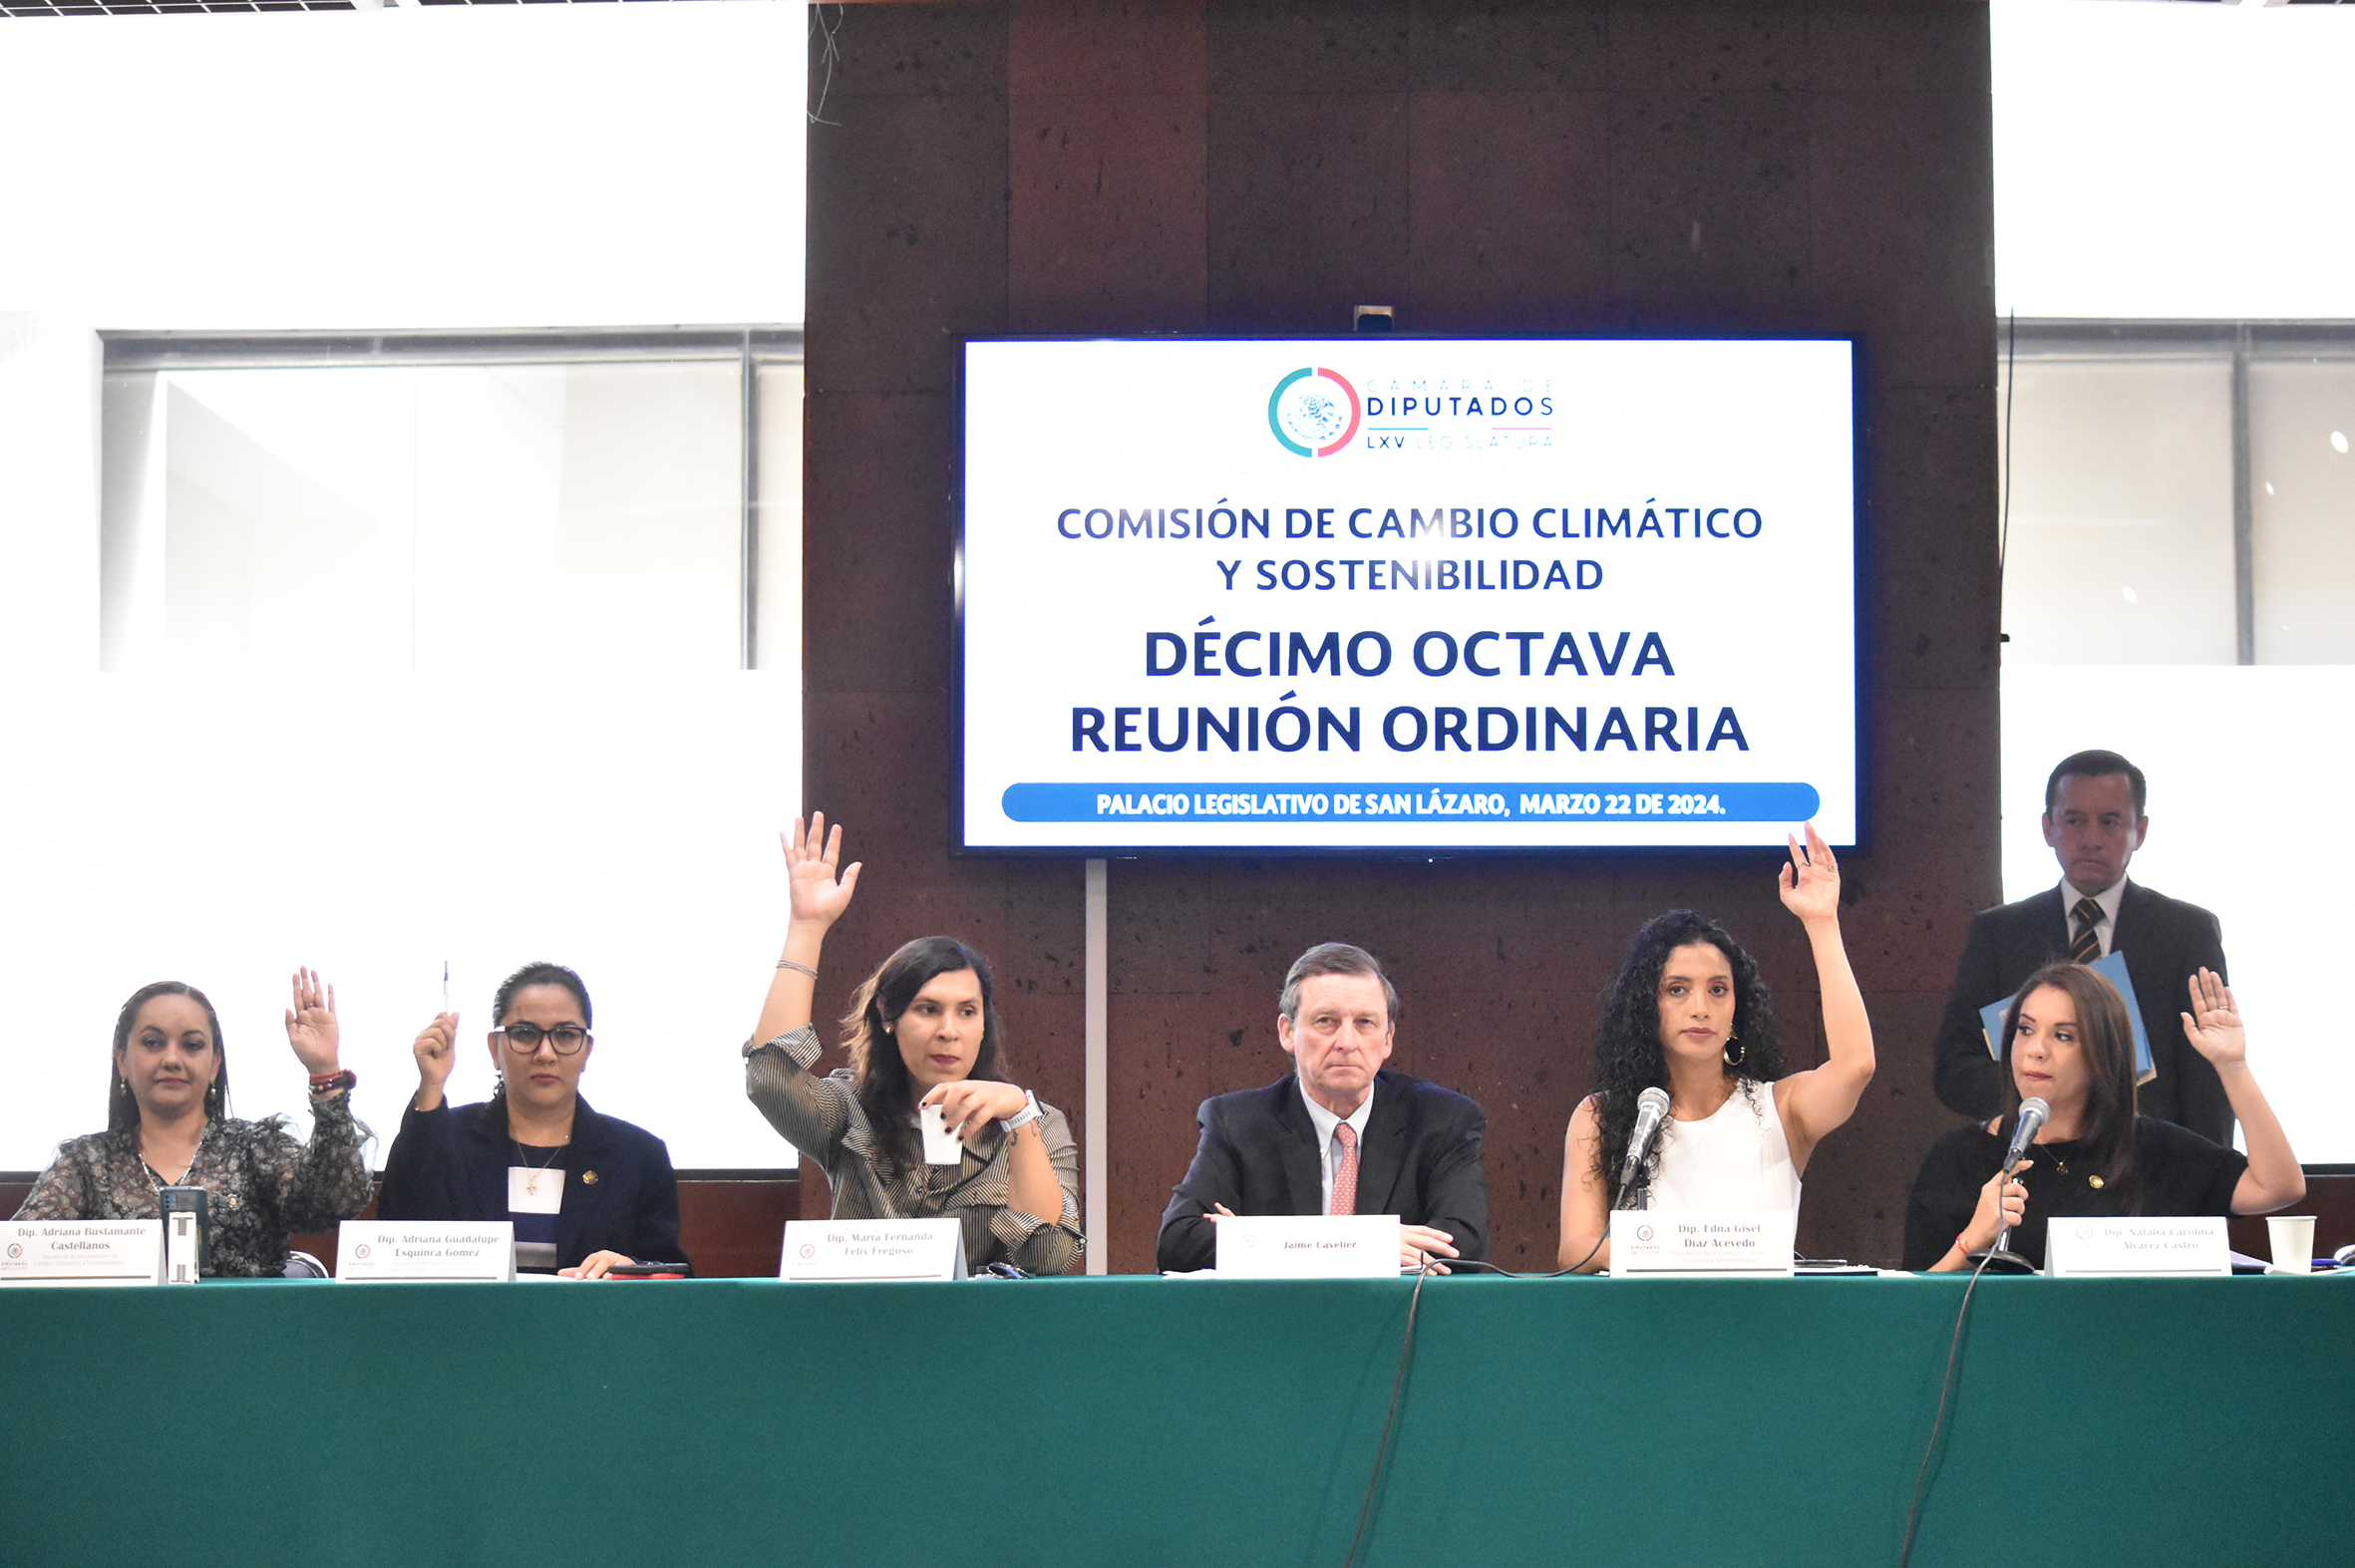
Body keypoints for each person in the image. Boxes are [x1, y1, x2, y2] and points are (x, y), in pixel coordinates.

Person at [743, 814, 1084, 1275]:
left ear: (984, 1023)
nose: (949, 1031)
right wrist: (807, 928)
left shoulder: (1038, 1123)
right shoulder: (850, 1107)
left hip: (981, 1321)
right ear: (888, 1014)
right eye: (928, 1009)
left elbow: (1050, 1260)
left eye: (967, 1012)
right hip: (863, 1317)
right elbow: (769, 1079)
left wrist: (1020, 1118)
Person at [1557, 824, 1875, 1271]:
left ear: (1737, 1007)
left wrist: (1821, 922)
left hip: (1758, 1314)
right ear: (1645, 1004)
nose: (1700, 1008)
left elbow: (1856, 1066)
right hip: (1643, 1314)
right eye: (1678, 989)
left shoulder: (1781, 1108)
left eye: (1718, 990)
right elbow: (1577, 1251)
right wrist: (1695, 1251)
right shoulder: (1601, 1115)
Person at [1903, 964, 2301, 1271]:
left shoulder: (2153, 1149)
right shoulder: (1960, 1157)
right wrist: (1971, 1240)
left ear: (2103, 1054)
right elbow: (1912, 1307)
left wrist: (2233, 1066)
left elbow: (2279, 1187)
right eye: (2025, 1030)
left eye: (2063, 1036)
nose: (2035, 1050)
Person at [1931, 750, 2232, 1143]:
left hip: (2151, 1160)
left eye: (2110, 822)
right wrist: (2044, 1087)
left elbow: (2208, 1079)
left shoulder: (2186, 931)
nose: (2091, 840)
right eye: (2074, 821)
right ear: (2048, 828)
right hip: (2032, 1157)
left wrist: (2211, 1174)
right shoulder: (1999, 933)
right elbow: (1954, 1069)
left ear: (2140, 831)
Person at [1156, 941, 1491, 1275]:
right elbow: (1178, 1243)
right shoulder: (1236, 1122)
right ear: (1288, 1032)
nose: (1346, 1042)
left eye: (1365, 1022)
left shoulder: (1443, 1119)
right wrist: (1369, 1245)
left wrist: (1256, 1240)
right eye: (1326, 1021)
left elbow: (1463, 1246)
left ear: (1388, 1038)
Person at [13, 970, 373, 1277]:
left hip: (247, 1333)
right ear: (122, 1061)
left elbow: (332, 1204)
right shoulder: (86, 1164)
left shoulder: (256, 1148)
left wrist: (324, 1071)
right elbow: (17, 1258)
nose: (172, 1059)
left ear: (215, 1064)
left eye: (192, 1045)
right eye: (153, 1043)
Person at [376, 961, 686, 1278]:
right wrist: (431, 1085)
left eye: (566, 1035)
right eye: (525, 1034)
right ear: (494, 1049)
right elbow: (392, 1240)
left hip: (590, 1313)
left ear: (587, 1051)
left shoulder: (638, 1156)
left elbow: (673, 1276)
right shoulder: (444, 1140)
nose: (545, 1053)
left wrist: (631, 1269)